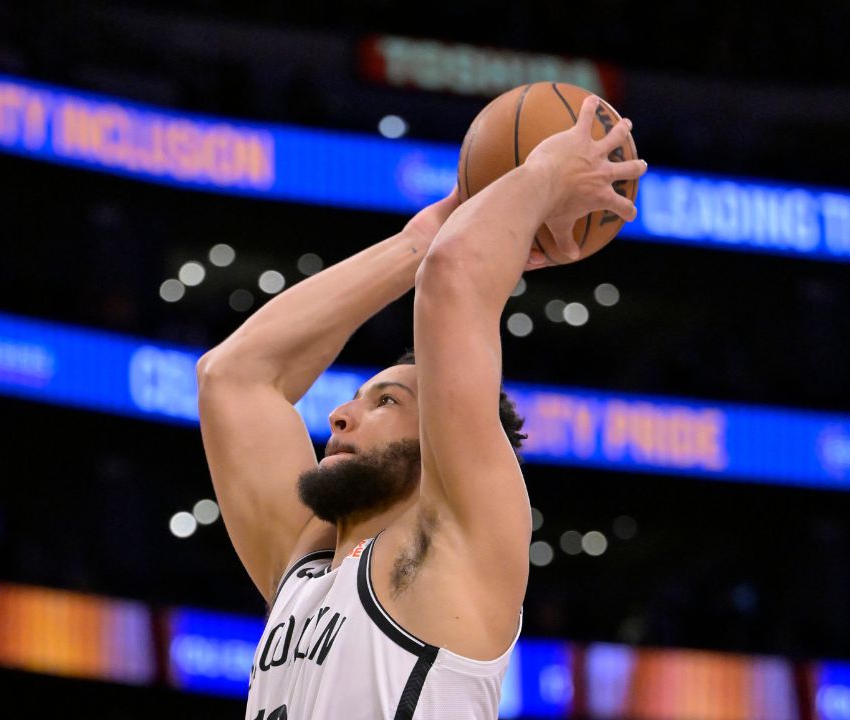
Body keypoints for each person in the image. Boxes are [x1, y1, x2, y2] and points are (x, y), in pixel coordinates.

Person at [197, 96, 645, 719]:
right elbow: (234, 375)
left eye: (384, 401)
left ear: (439, 441)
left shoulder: (458, 544)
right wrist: (416, 240)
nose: (338, 416)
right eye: (354, 400)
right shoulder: (302, 565)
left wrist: (544, 174)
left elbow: (455, 277)